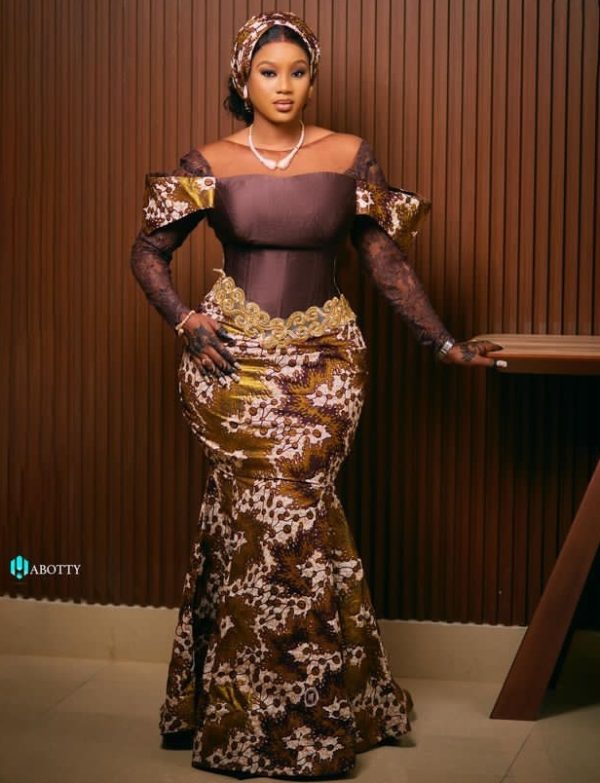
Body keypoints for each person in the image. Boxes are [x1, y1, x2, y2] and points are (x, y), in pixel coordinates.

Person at [129, 10, 503, 780]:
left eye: (298, 71)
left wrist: (443, 343)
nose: (285, 85)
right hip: (233, 368)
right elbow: (148, 252)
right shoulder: (209, 161)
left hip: (327, 361)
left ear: (312, 78)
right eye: (268, 72)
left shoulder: (348, 155)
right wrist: (183, 318)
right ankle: (250, 718)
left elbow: (384, 259)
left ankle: (307, 718)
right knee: (252, 523)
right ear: (243, 80)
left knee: (299, 515)